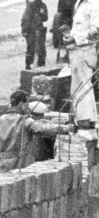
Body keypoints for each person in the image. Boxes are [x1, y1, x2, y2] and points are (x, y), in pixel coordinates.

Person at [0, 90, 72, 174]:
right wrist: (65, 128)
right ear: (20, 104)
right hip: (21, 166)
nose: (28, 107)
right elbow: (42, 129)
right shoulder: (24, 120)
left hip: (2, 167)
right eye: (27, 104)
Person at [61, 1, 99, 138]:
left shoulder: (94, 4)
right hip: (76, 49)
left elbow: (96, 30)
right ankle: (80, 118)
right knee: (76, 87)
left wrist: (76, 37)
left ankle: (86, 121)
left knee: (84, 86)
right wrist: (70, 35)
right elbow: (79, 28)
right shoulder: (79, 3)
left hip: (85, 50)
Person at [22, 0, 49, 69]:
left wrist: (42, 12)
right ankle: (28, 67)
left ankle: (42, 66)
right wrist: (25, 30)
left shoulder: (43, 5)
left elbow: (45, 18)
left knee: (42, 50)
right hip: (31, 30)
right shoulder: (31, 5)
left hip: (40, 30)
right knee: (31, 49)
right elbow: (26, 19)